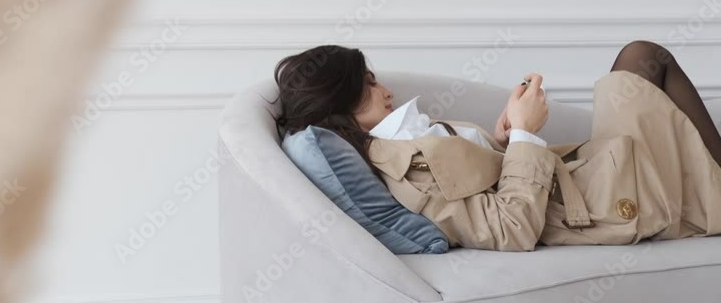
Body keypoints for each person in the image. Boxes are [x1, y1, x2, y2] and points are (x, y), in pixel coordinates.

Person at [273, 42, 721, 251]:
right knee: (643, 58)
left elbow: (484, 184)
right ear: (340, 100)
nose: (385, 90)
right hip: (601, 202)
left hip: (588, 177)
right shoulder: (401, 166)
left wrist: (504, 140)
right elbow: (511, 228)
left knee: (641, 60)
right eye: (369, 85)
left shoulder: (401, 140)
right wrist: (525, 135)